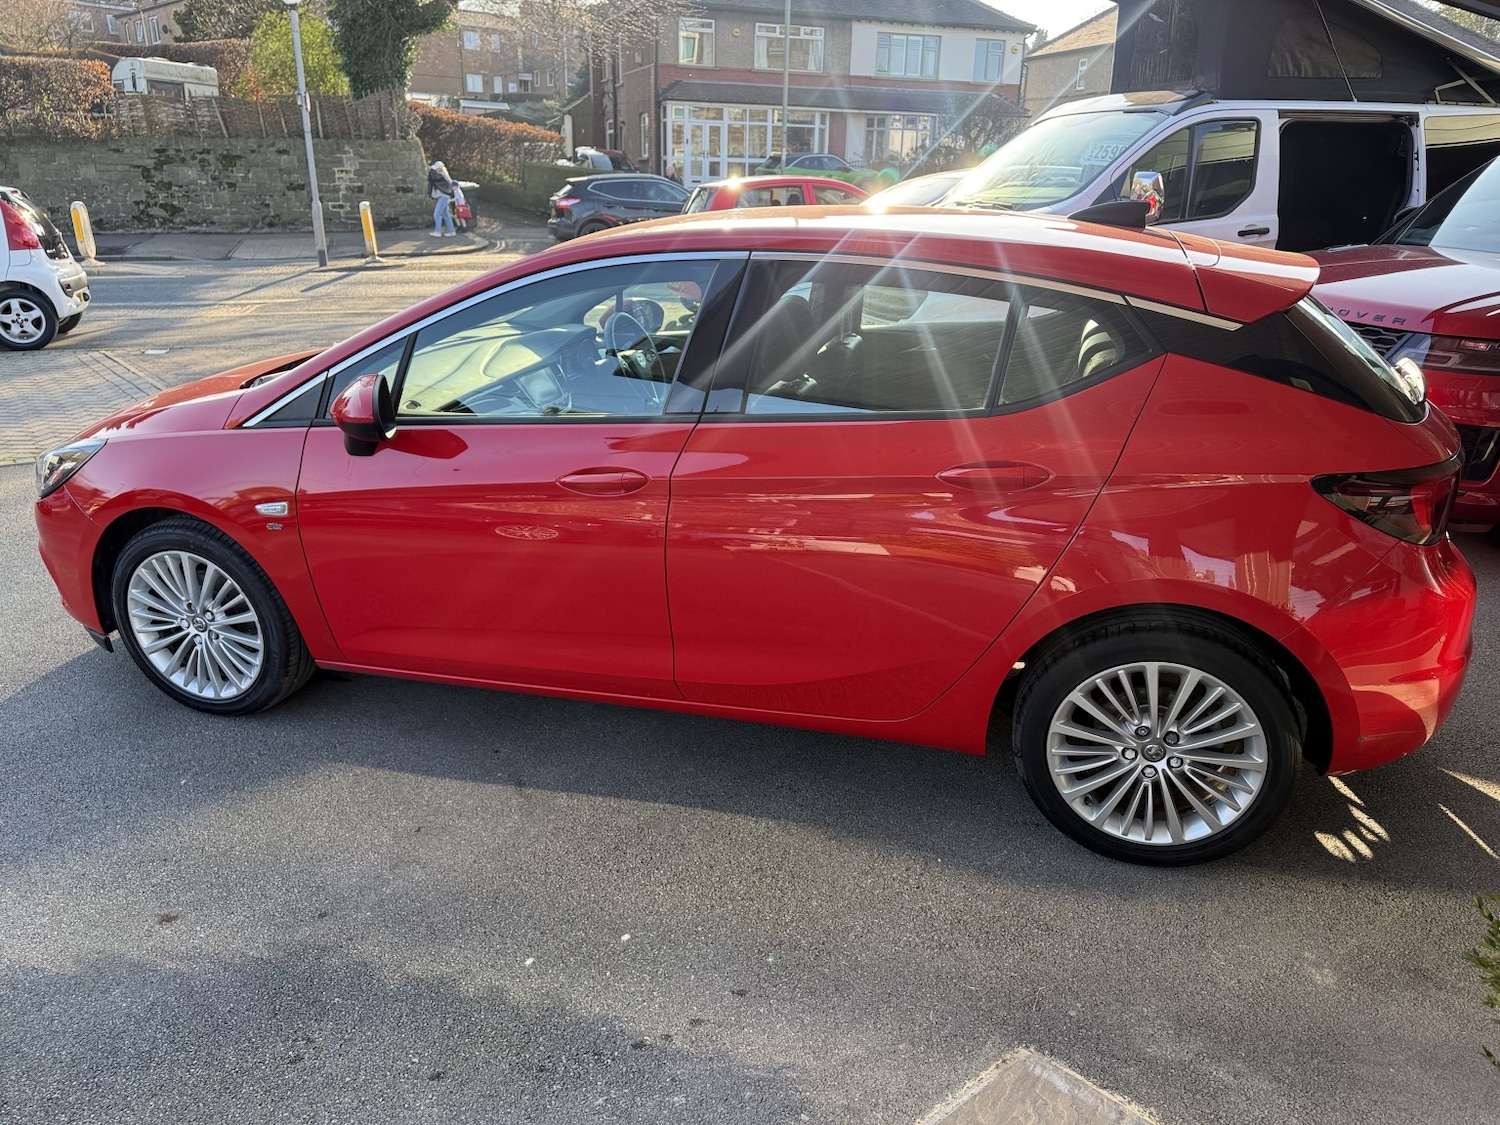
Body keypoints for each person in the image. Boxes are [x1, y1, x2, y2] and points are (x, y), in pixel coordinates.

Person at [427, 160, 456, 237]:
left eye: (436, 169)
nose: (435, 170)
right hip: (444, 196)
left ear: (440, 168)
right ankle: (451, 231)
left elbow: (434, 178)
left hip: (443, 197)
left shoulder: (442, 175)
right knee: (446, 215)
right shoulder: (443, 174)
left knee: (436, 214)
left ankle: (437, 231)